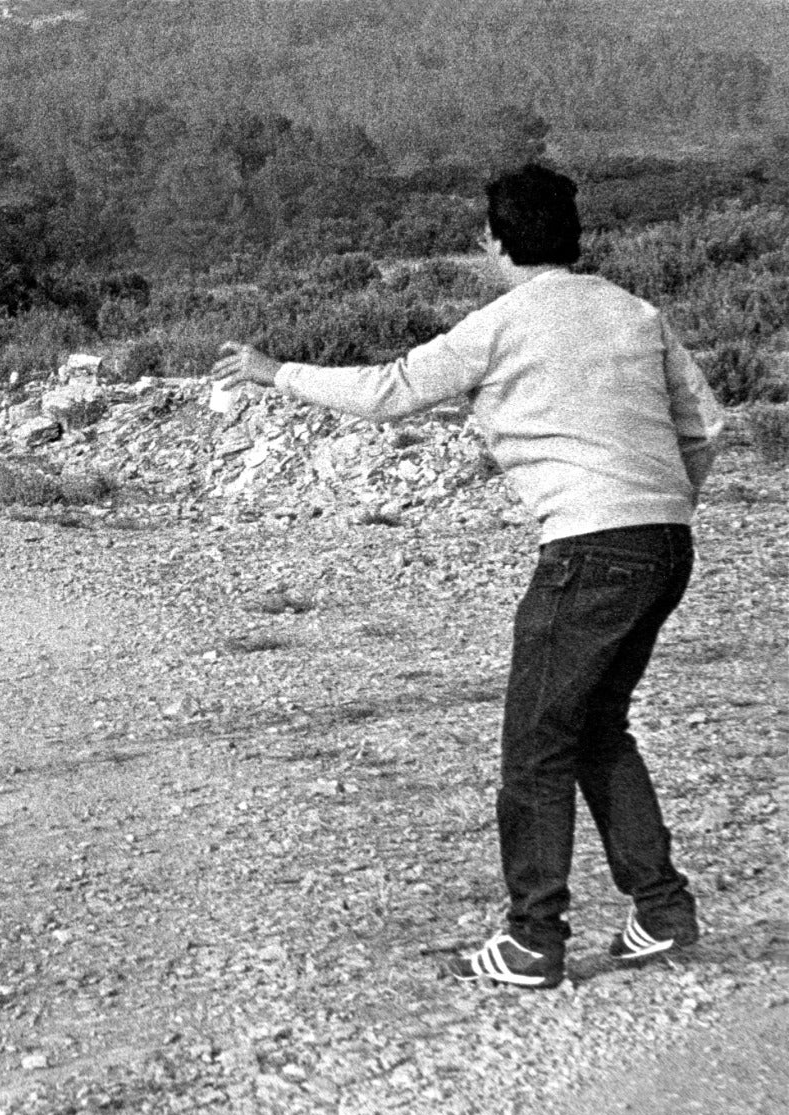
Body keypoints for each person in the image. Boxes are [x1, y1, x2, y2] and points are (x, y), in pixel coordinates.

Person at [212, 164, 724, 989]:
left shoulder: (500, 322)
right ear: (574, 232)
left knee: (535, 750)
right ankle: (661, 913)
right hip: (666, 544)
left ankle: (532, 941)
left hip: (588, 551)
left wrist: (278, 373)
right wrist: (663, 502)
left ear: (493, 241)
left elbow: (390, 392)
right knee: (597, 733)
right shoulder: (637, 312)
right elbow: (703, 425)